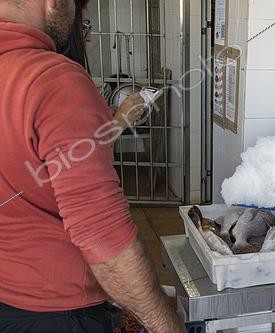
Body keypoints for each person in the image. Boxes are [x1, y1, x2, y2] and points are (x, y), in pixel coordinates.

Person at [0, 1, 185, 332]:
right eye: (83, 25)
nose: (86, 36)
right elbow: (103, 235)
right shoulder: (53, 78)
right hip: (60, 310)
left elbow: (41, 161)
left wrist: (115, 122)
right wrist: (165, 324)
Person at [64, 0, 145, 133]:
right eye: (85, 26)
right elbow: (84, 146)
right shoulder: (64, 78)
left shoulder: (68, 71)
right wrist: (120, 120)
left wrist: (102, 113)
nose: (89, 37)